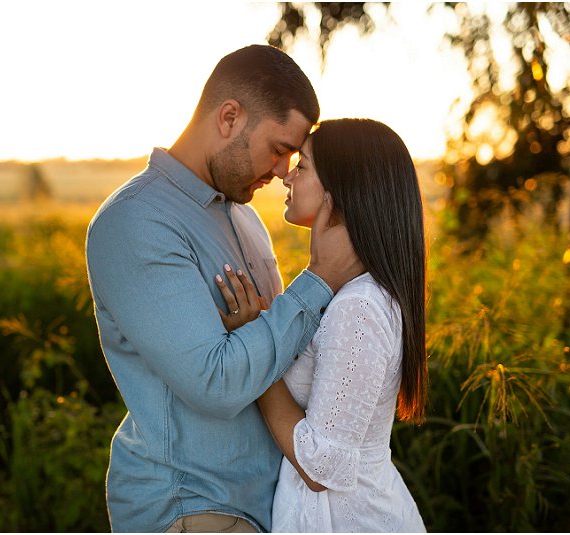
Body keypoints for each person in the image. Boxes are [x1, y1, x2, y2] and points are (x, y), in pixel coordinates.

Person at [85, 45, 364, 532]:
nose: (282, 171)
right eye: (279, 150)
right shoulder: (137, 223)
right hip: (194, 507)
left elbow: (275, 354)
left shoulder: (246, 219)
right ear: (230, 117)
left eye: (293, 157)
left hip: (265, 504)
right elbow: (214, 384)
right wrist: (318, 282)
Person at [214, 118, 428, 532]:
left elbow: (321, 466)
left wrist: (254, 350)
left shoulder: (359, 307)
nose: (286, 177)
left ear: (342, 190)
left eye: (303, 166)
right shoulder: (355, 293)